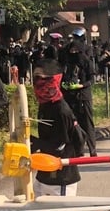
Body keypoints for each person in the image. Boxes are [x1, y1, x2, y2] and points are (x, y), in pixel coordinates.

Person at [30, 59, 82, 196]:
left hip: (61, 177)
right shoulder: (45, 104)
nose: (38, 82)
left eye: (42, 78)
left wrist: (36, 143)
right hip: (43, 174)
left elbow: (60, 146)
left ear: (54, 79)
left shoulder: (61, 110)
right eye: (35, 77)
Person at [62, 28, 97, 155]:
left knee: (87, 123)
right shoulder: (65, 60)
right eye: (72, 49)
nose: (74, 51)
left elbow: (92, 79)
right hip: (69, 96)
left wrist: (81, 85)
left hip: (83, 96)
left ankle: (93, 150)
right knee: (73, 124)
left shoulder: (86, 58)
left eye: (76, 49)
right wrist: (64, 85)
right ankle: (78, 150)